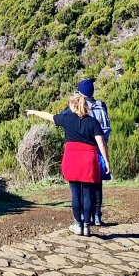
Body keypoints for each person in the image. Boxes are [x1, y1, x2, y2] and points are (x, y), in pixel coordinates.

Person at [26, 93, 110, 237]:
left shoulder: (66, 119)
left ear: (73, 105)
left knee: (76, 193)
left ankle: (78, 225)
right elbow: (101, 143)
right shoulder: (93, 122)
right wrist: (106, 161)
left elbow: (48, 116)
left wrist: (33, 112)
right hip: (89, 158)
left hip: (72, 158)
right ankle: (87, 227)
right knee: (87, 194)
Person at [78, 78, 111, 225]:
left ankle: (85, 216)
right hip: (99, 149)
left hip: (84, 150)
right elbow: (106, 131)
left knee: (84, 185)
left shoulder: (79, 108)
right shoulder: (101, 106)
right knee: (98, 184)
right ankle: (97, 215)